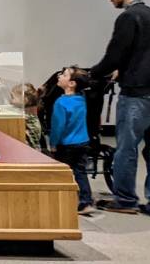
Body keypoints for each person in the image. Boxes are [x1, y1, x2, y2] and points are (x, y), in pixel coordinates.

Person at [90, 0, 150, 218]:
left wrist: (92, 73)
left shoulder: (129, 17)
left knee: (126, 149)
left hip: (137, 96)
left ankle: (125, 200)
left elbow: (116, 53)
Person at [50, 66, 94, 215]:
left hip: (66, 145)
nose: (59, 76)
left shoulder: (61, 103)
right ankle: (85, 201)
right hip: (83, 142)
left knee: (62, 173)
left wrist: (53, 143)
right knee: (80, 171)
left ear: (71, 83)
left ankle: (61, 201)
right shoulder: (81, 99)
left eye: (64, 75)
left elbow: (58, 126)